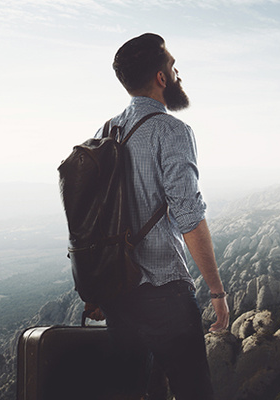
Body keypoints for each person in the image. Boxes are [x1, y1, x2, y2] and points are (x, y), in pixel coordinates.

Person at [85, 33, 230, 400]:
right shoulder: (171, 130)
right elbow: (189, 216)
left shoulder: (106, 132)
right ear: (162, 77)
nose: (178, 73)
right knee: (194, 392)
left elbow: (92, 218)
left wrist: (97, 287)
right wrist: (217, 292)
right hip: (165, 296)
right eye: (173, 66)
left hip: (119, 295)